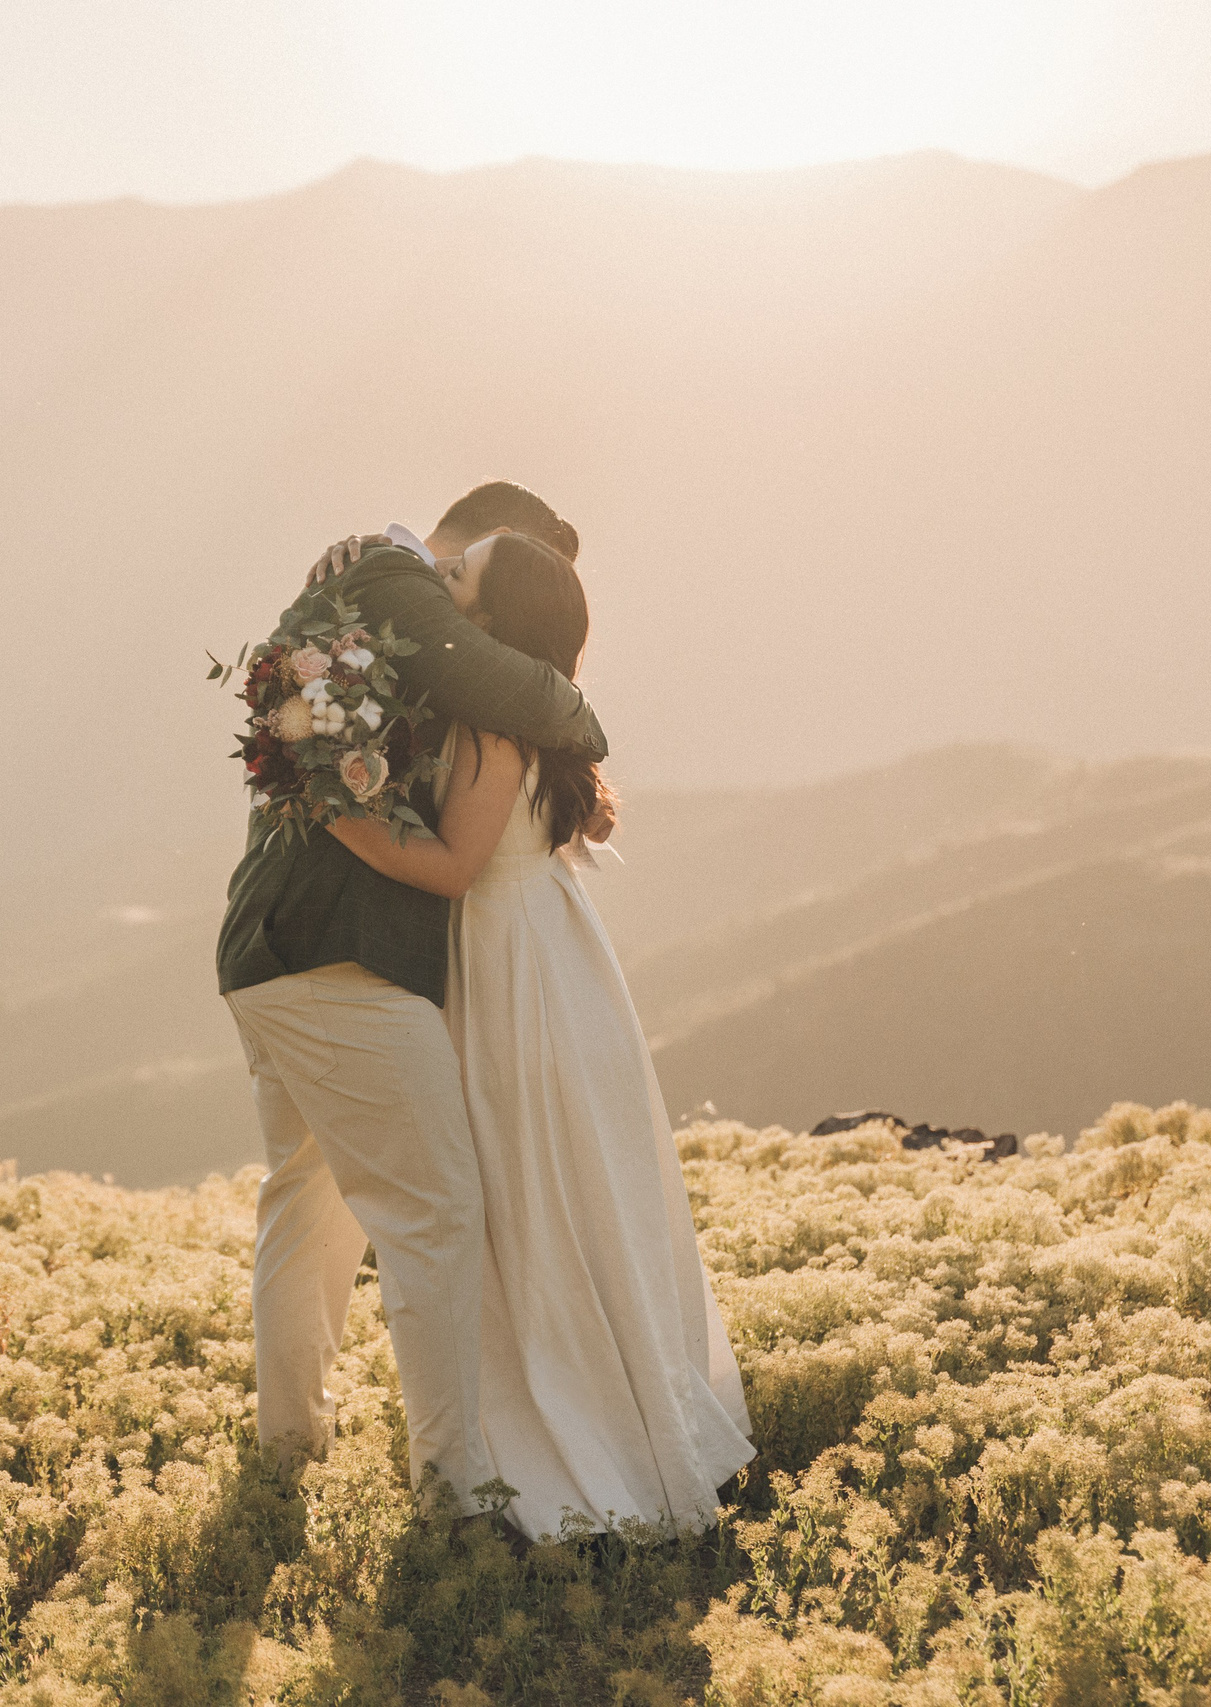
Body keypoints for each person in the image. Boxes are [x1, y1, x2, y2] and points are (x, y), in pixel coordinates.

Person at [322, 531, 756, 1539]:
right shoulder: (537, 721)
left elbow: (450, 870)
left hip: (508, 966)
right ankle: (631, 1415)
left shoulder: (489, 732)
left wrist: (335, 810)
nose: (440, 580)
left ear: (481, 621)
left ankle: (567, 1440)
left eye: (456, 576)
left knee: (527, 1198)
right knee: (583, 1195)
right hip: (563, 960)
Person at [217, 481, 603, 1511]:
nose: (459, 592)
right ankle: (454, 1485)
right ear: (487, 539)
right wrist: (579, 715)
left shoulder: (368, 593)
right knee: (436, 1211)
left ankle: (288, 1446)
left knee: (311, 1201)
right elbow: (517, 687)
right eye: (488, 569)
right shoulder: (393, 577)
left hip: (275, 948)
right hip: (335, 956)